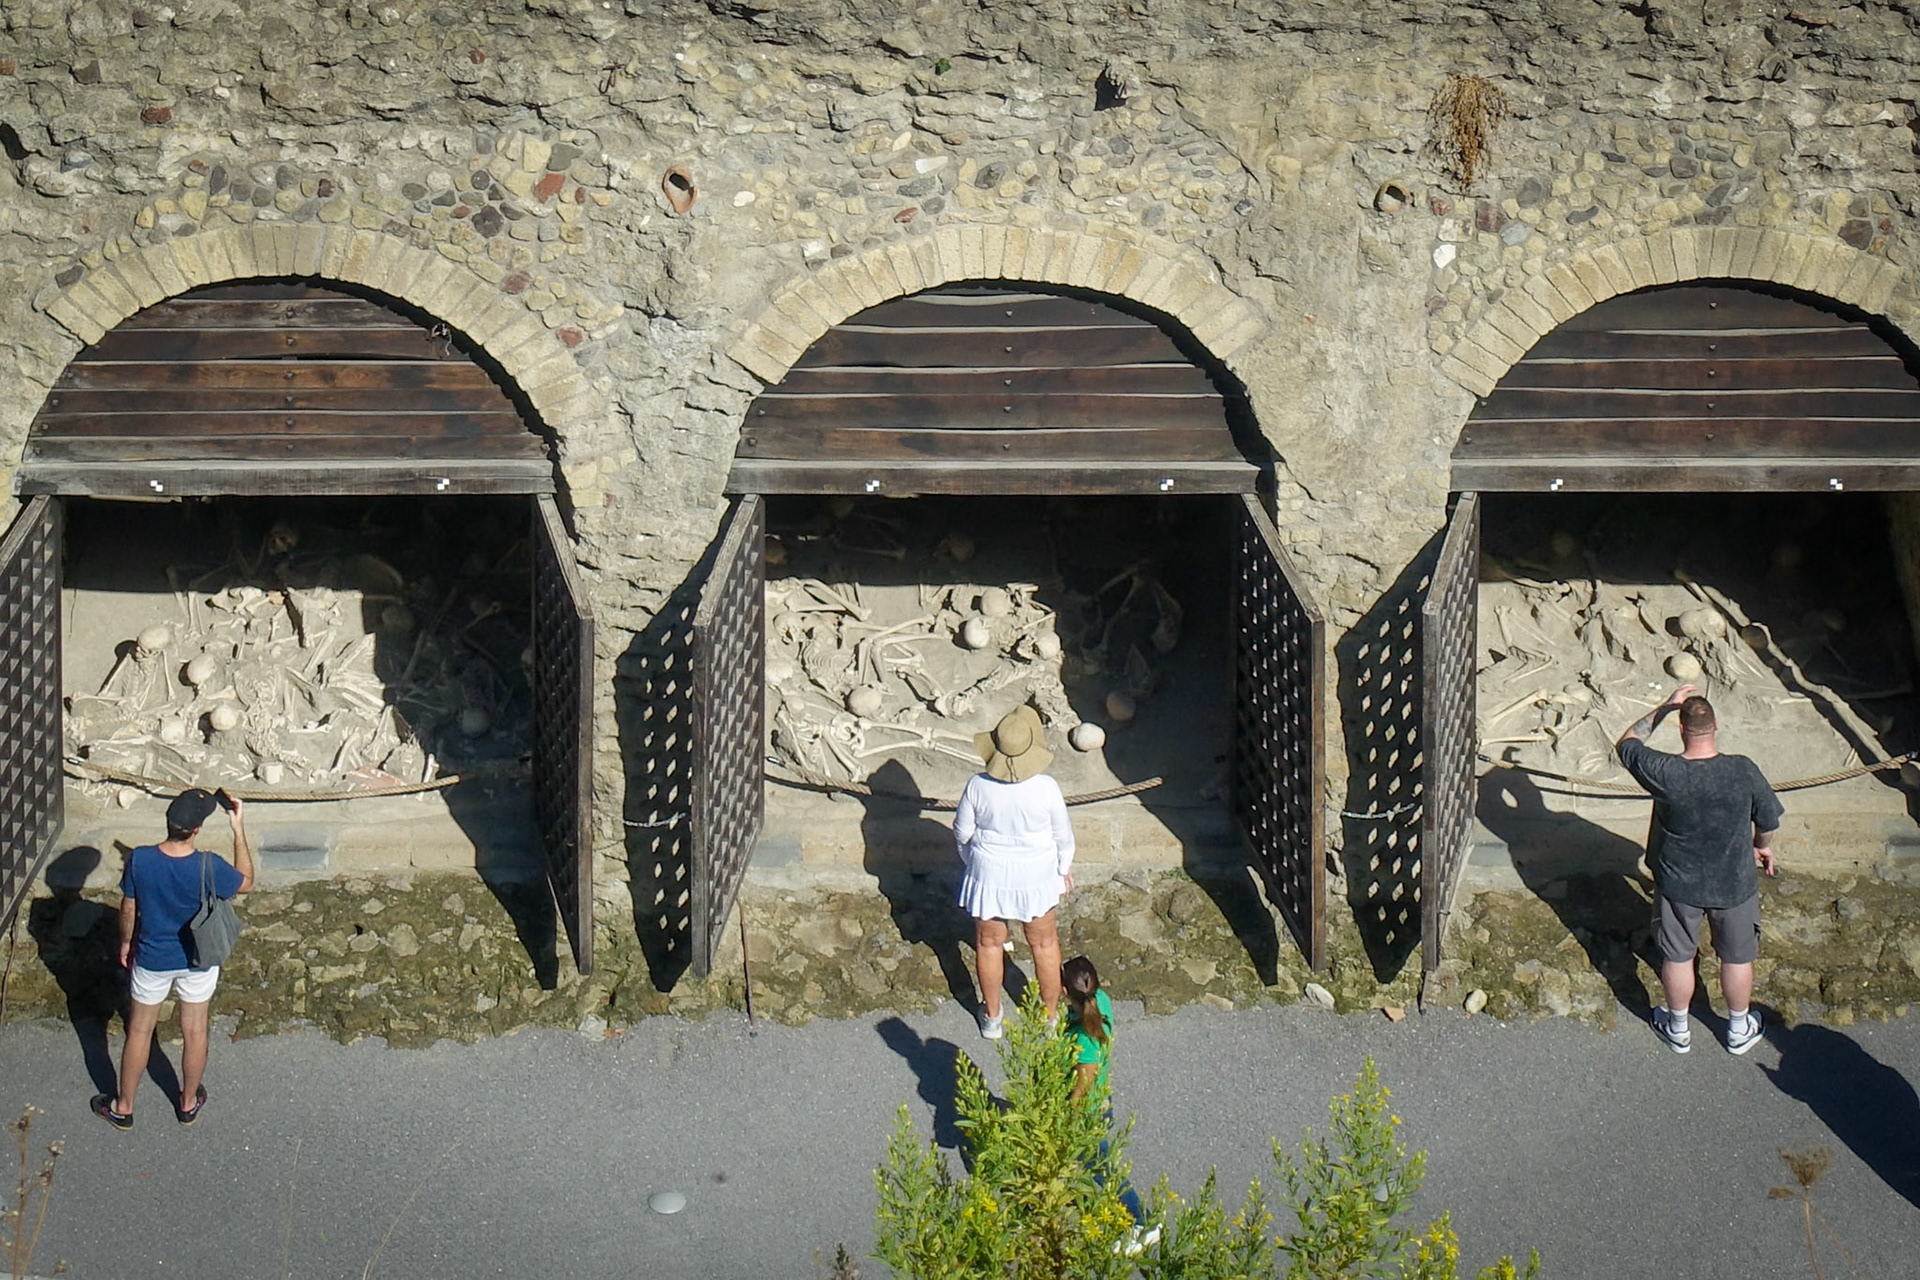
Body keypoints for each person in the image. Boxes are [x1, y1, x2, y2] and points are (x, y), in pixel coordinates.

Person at [1616, 684, 1782, 1056]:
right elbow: (1768, 819)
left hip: (1679, 883)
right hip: (1734, 881)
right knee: (1737, 956)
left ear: (1681, 729)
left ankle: (1677, 1028)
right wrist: (1761, 846)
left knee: (1677, 956)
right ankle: (1738, 1028)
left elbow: (1627, 743)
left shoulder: (1665, 771)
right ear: (1716, 726)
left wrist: (1665, 707)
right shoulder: (1742, 769)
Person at [94, 787, 253, 1129]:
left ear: (168, 822)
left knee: (139, 1030)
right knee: (194, 1030)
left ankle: (123, 1107)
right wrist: (238, 829)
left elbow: (129, 907)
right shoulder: (209, 865)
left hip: (152, 957)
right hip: (199, 958)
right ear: (197, 829)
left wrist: (125, 943)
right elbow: (247, 882)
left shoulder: (141, 859)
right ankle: (187, 1102)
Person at [954, 704, 1073, 1039]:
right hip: (1036, 874)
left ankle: (991, 1017)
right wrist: (1063, 869)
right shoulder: (1047, 787)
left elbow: (962, 832)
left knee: (988, 944)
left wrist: (972, 861)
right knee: (1045, 944)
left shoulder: (977, 785)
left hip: (989, 873)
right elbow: (1063, 836)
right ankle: (1049, 1019)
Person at [1062, 955, 1154, 1249]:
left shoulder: (1083, 1039)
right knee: (1086, 1161)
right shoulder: (1101, 1000)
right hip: (1102, 1101)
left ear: (1065, 992)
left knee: (1105, 1170)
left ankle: (1142, 1223)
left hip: (1087, 1113)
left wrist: (1067, 1116)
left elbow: (1082, 1086)